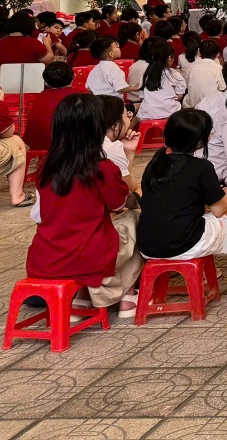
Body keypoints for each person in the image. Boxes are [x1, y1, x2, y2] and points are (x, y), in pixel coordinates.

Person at [26, 93, 142, 316]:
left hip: (44, 260)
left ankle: (82, 298)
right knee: (135, 219)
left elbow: (46, 213)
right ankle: (127, 295)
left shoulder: (45, 168)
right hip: (89, 260)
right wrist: (128, 154)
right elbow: (119, 204)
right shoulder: (102, 168)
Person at [136, 108, 227, 291]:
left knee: (194, 218)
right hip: (185, 244)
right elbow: (219, 209)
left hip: (148, 245)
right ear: (200, 140)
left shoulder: (155, 163)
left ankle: (208, 271)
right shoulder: (201, 166)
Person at [136, 43, 187, 122]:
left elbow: (141, 97)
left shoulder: (145, 75)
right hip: (170, 114)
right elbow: (180, 95)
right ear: (170, 58)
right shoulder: (174, 74)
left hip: (147, 115)